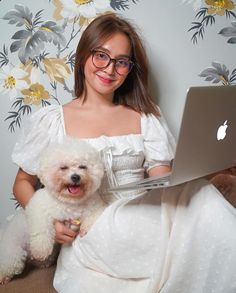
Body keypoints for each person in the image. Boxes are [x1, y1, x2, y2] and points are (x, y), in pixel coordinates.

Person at [11, 13, 236, 293]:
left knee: (200, 196)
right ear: (83, 56)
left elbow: (162, 180)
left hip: (143, 219)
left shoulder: (146, 117)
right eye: (101, 56)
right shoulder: (52, 120)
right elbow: (22, 182)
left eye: (121, 62)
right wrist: (50, 223)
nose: (110, 69)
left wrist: (200, 173)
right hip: (90, 228)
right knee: (198, 202)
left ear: (130, 69)